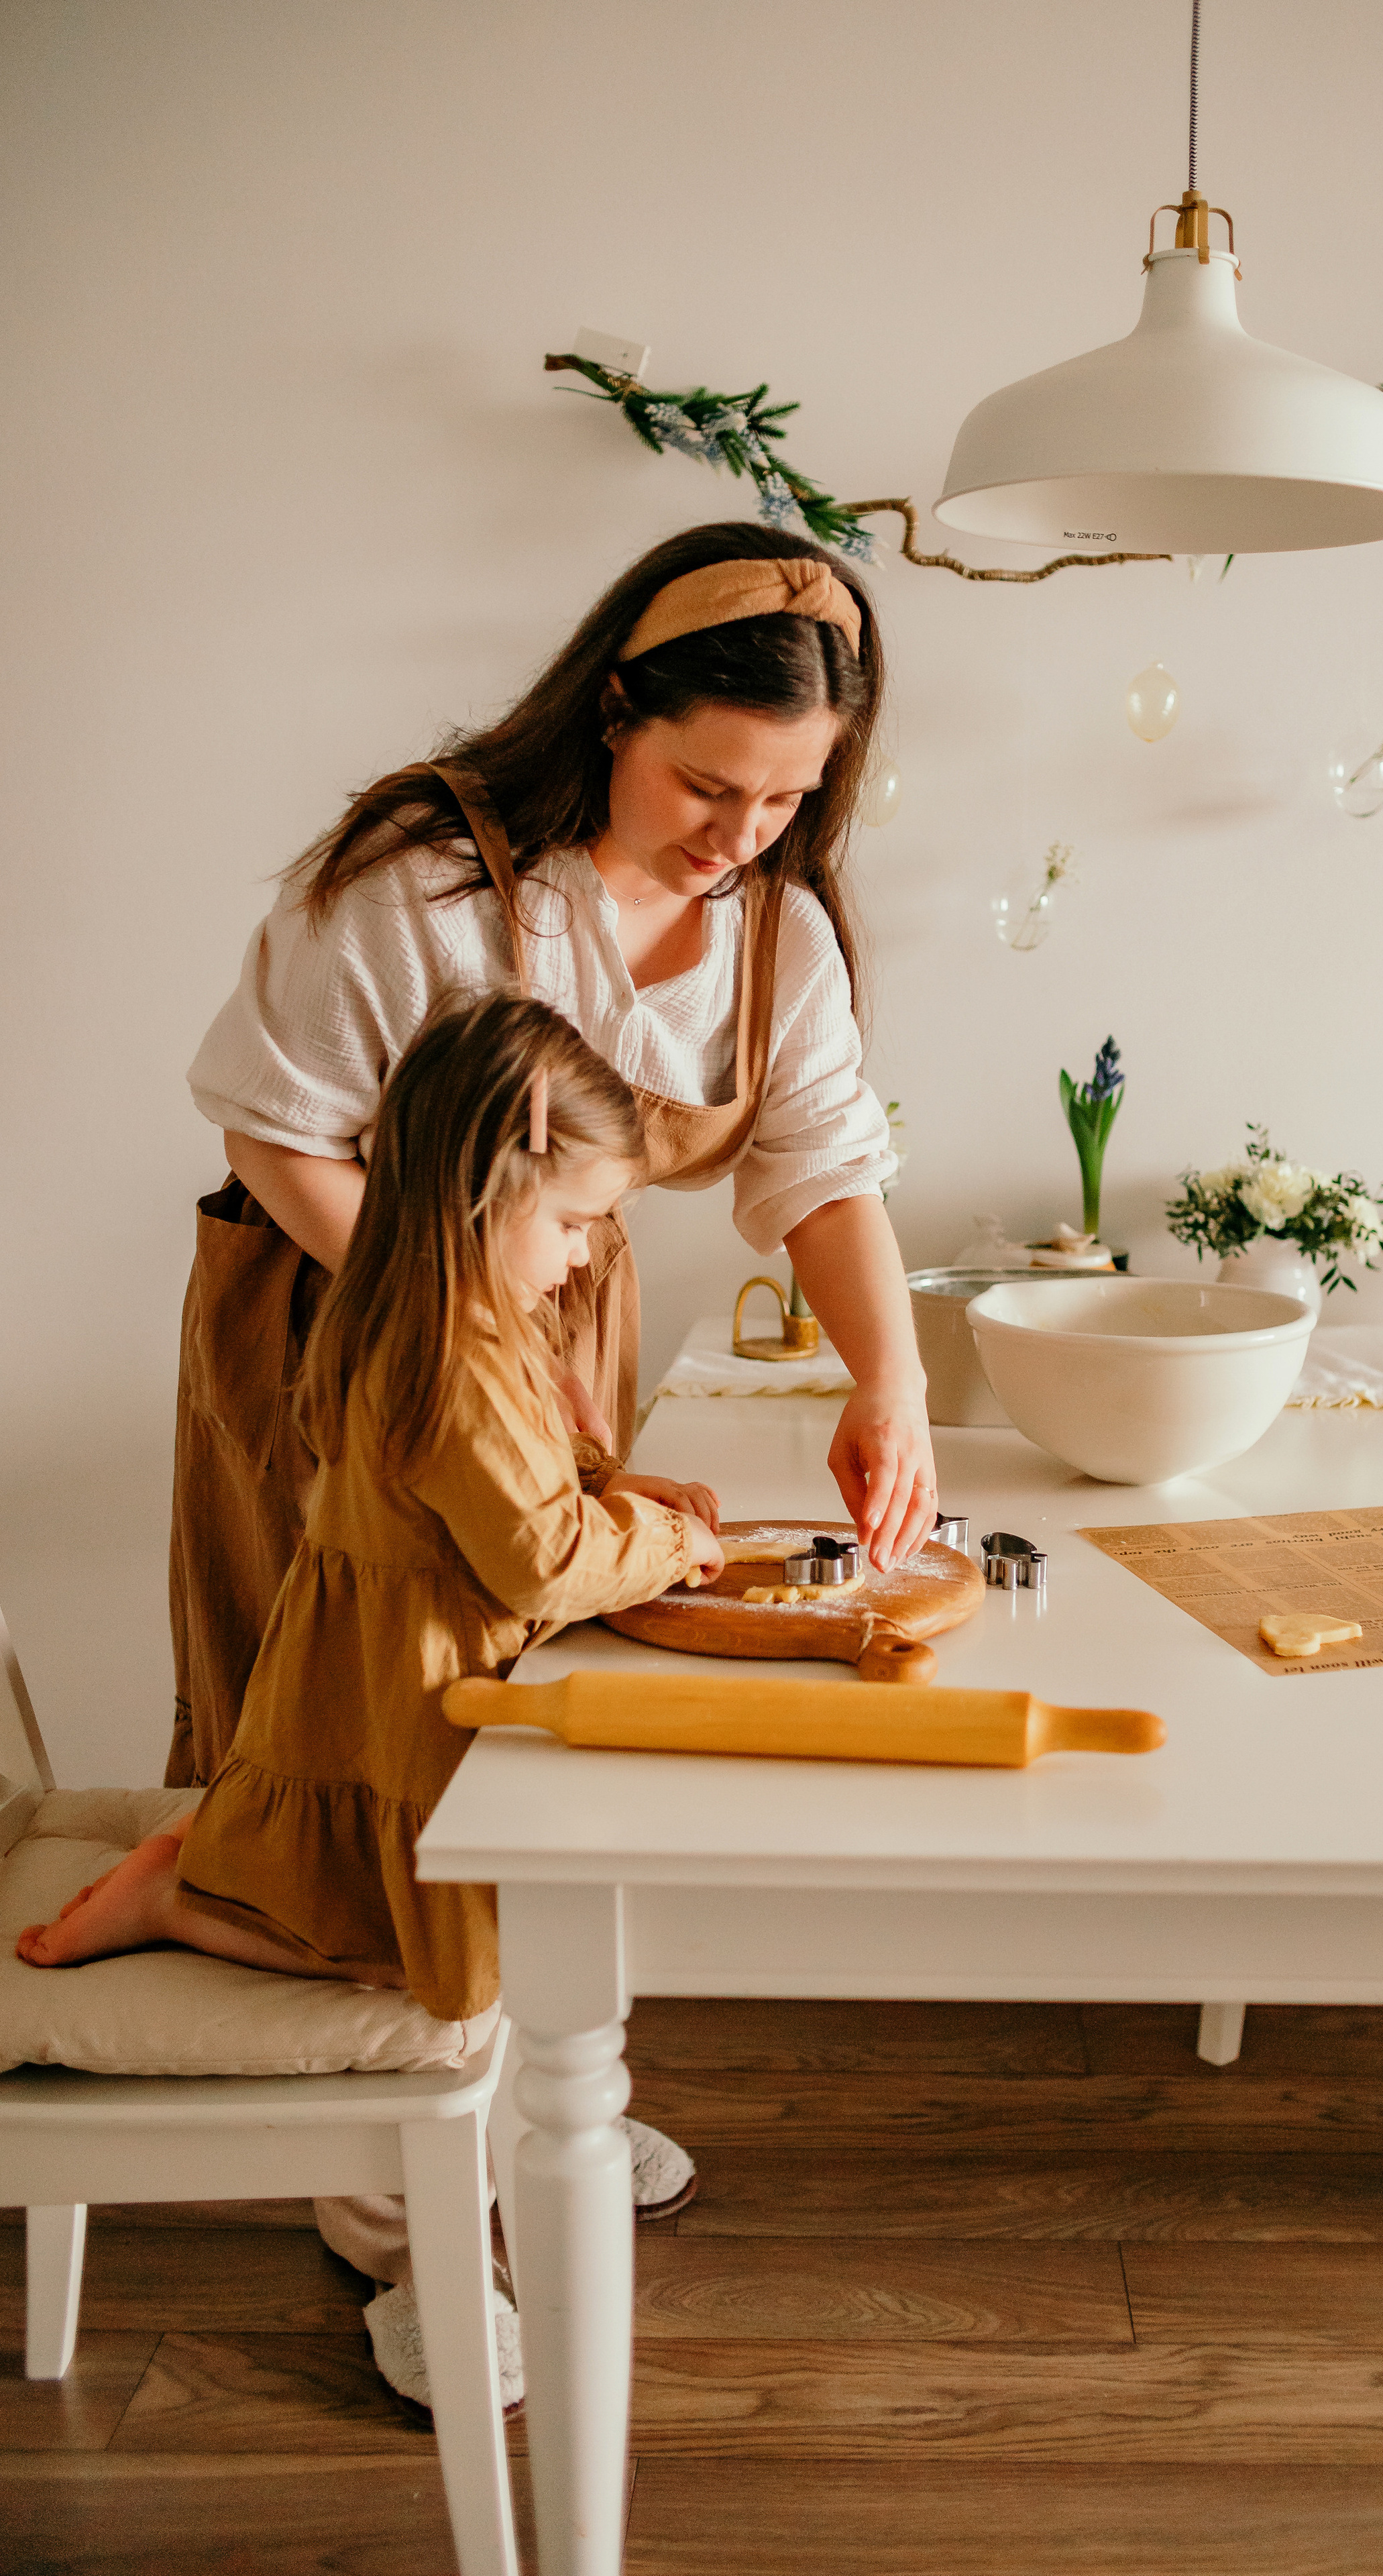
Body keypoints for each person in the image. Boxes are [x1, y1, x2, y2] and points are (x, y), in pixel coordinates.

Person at [170, 521, 936, 1794]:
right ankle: (227, 1894)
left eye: (789, 797)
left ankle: (488, 1970)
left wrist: (892, 1384)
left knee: (510, 1683)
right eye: (708, 784)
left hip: (554, 1300)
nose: (746, 832)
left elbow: (824, 1171)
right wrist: (474, 1332)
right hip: (349, 1309)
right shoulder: (430, 885)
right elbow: (276, 1132)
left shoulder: (777, 936)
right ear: (616, 710)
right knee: (338, 1692)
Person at [21, 998, 724, 2385]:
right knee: (421, 1965)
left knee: (475, 1941)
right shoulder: (448, 1351)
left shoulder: (437, 1306)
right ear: (498, 1174)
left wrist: (616, 1484)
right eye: (577, 1221)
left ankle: (517, 2140)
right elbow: (533, 1554)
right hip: (401, 1715)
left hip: (382, 1691)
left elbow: (523, 1494)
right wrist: (668, 1543)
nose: (587, 1258)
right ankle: (193, 1910)